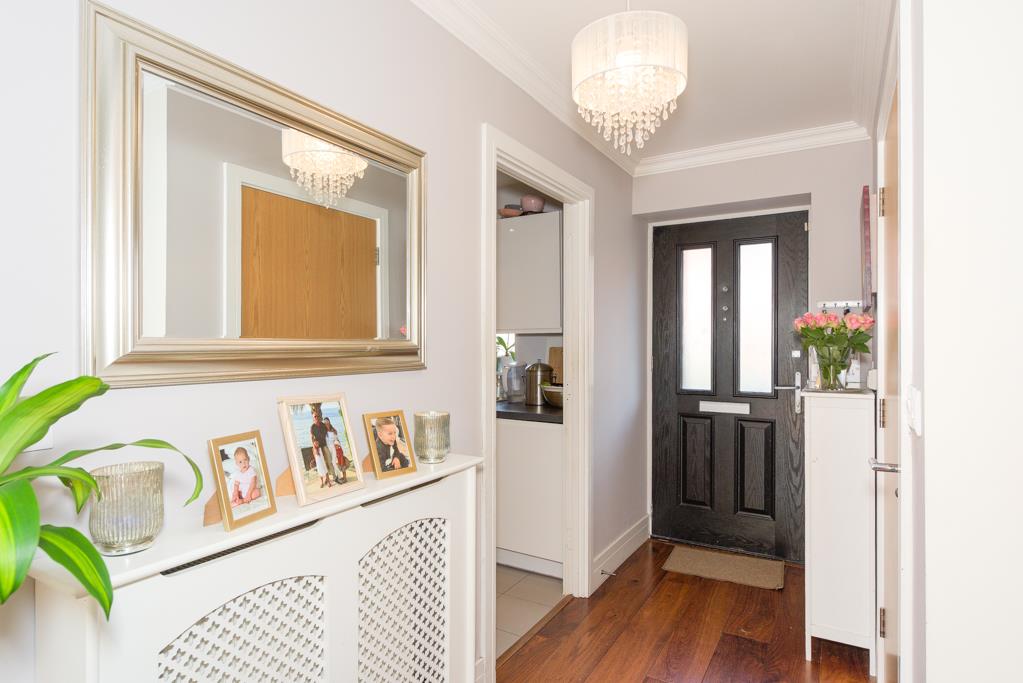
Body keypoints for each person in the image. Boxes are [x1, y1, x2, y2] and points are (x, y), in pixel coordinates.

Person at [309, 405, 338, 486]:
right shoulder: (312, 427)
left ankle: (334, 477)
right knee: (321, 464)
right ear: (313, 418)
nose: (316, 417)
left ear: (319, 417)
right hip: (318, 448)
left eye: (317, 416)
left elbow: (329, 428)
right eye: (315, 416)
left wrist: (334, 430)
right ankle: (326, 480)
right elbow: (312, 438)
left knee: (329, 461)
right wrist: (315, 449)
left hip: (325, 446)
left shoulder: (322, 425)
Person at [324, 417, 348, 484]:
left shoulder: (333, 430)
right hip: (328, 449)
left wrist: (338, 446)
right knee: (332, 463)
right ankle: (337, 477)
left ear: (329, 422)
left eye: (327, 422)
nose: (326, 423)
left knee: (335, 462)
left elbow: (337, 440)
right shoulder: (324, 432)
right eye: (325, 422)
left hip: (334, 447)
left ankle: (339, 477)